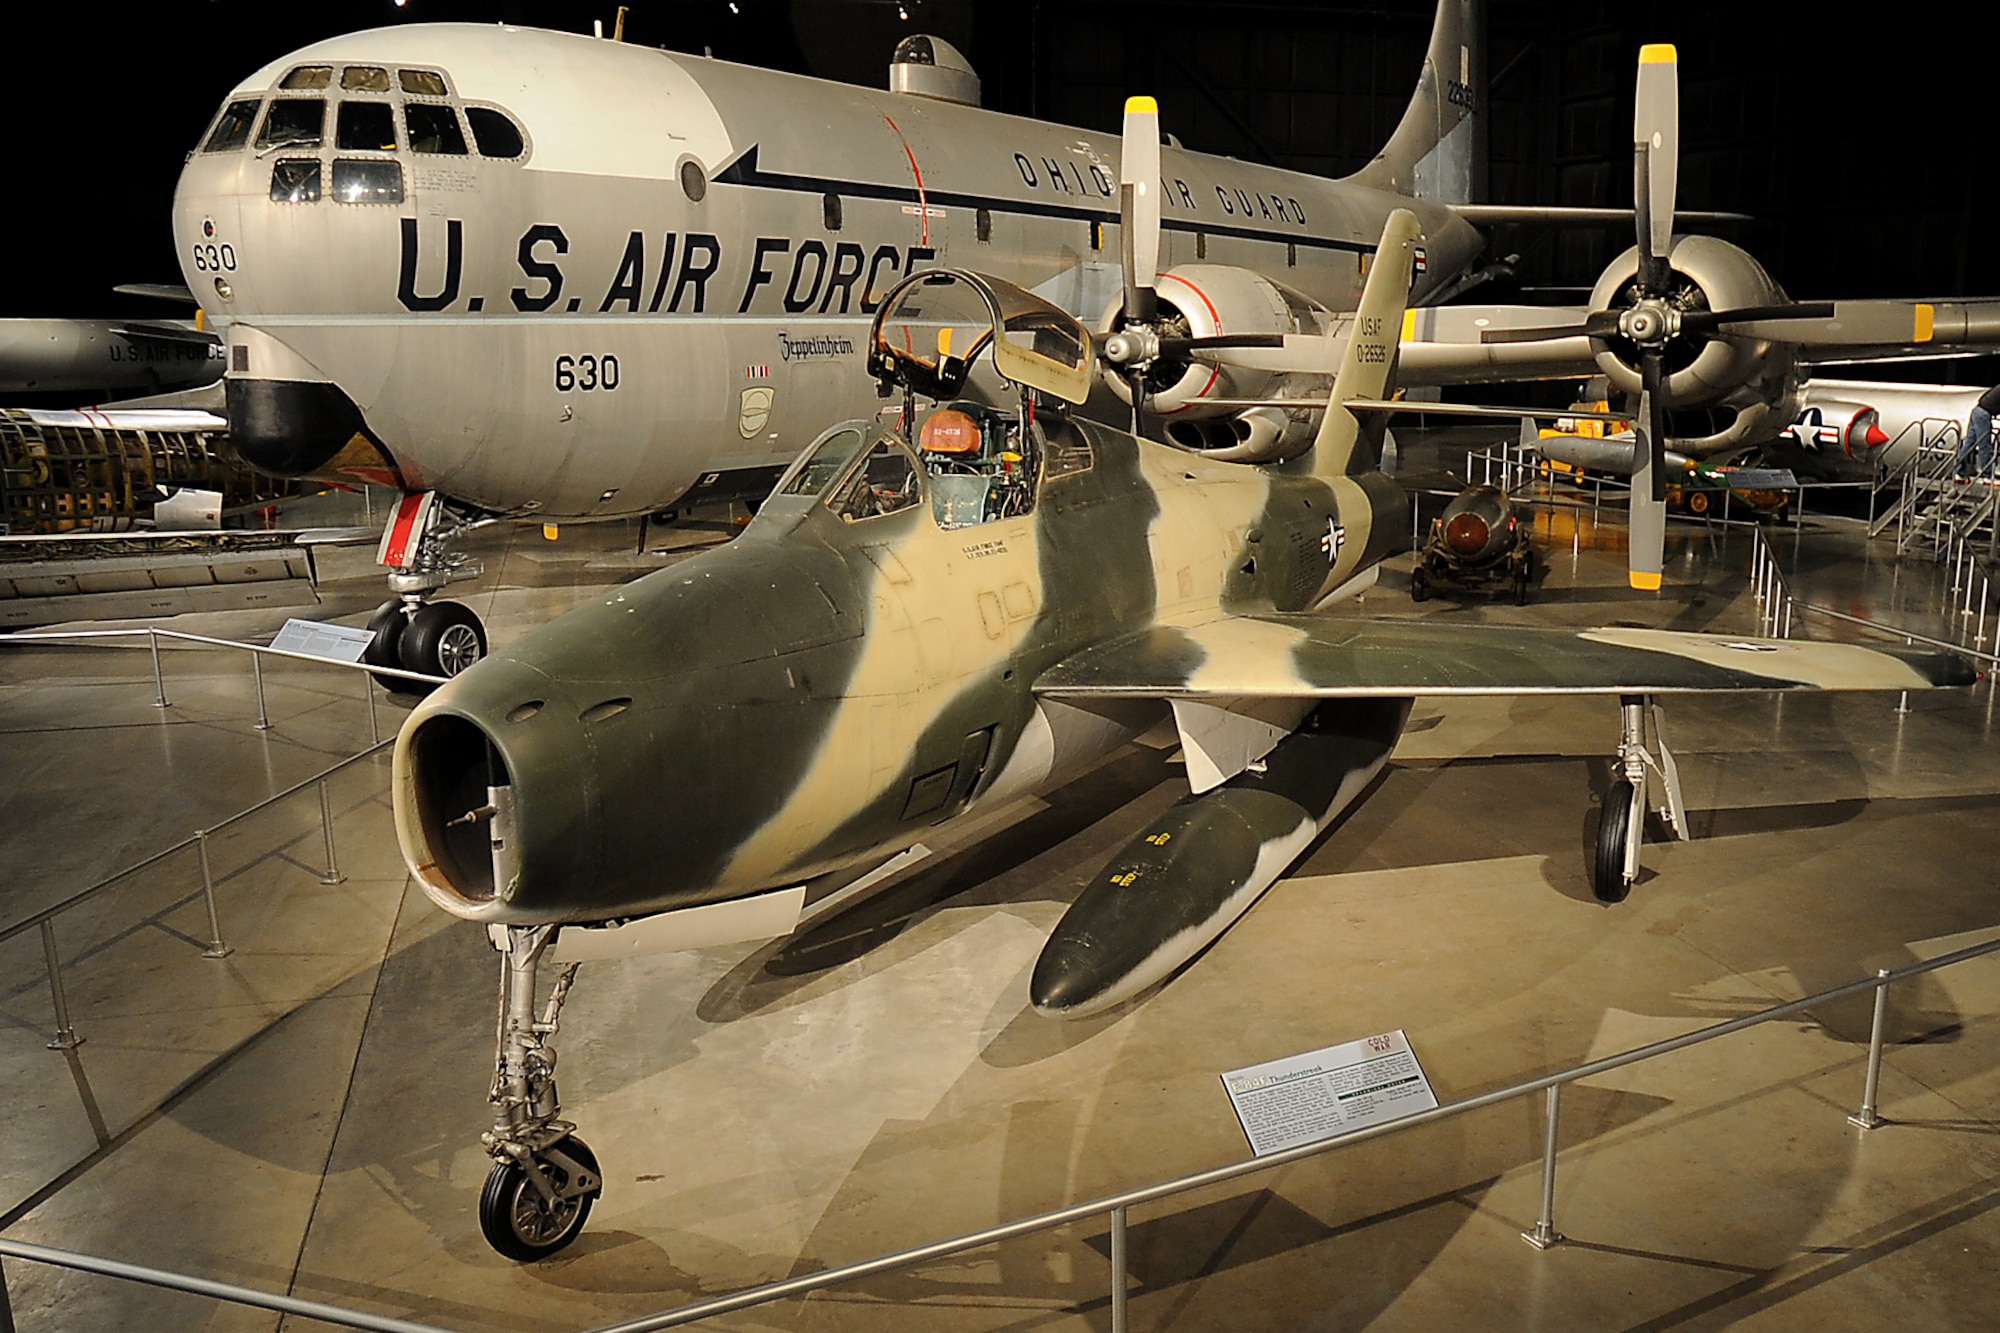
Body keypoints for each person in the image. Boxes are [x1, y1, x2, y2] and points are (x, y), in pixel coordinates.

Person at [1958, 383, 2000, 479]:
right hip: (1983, 414)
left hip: (1978, 410)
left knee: (1969, 443)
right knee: (1984, 445)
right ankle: (1987, 475)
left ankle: (1959, 471)